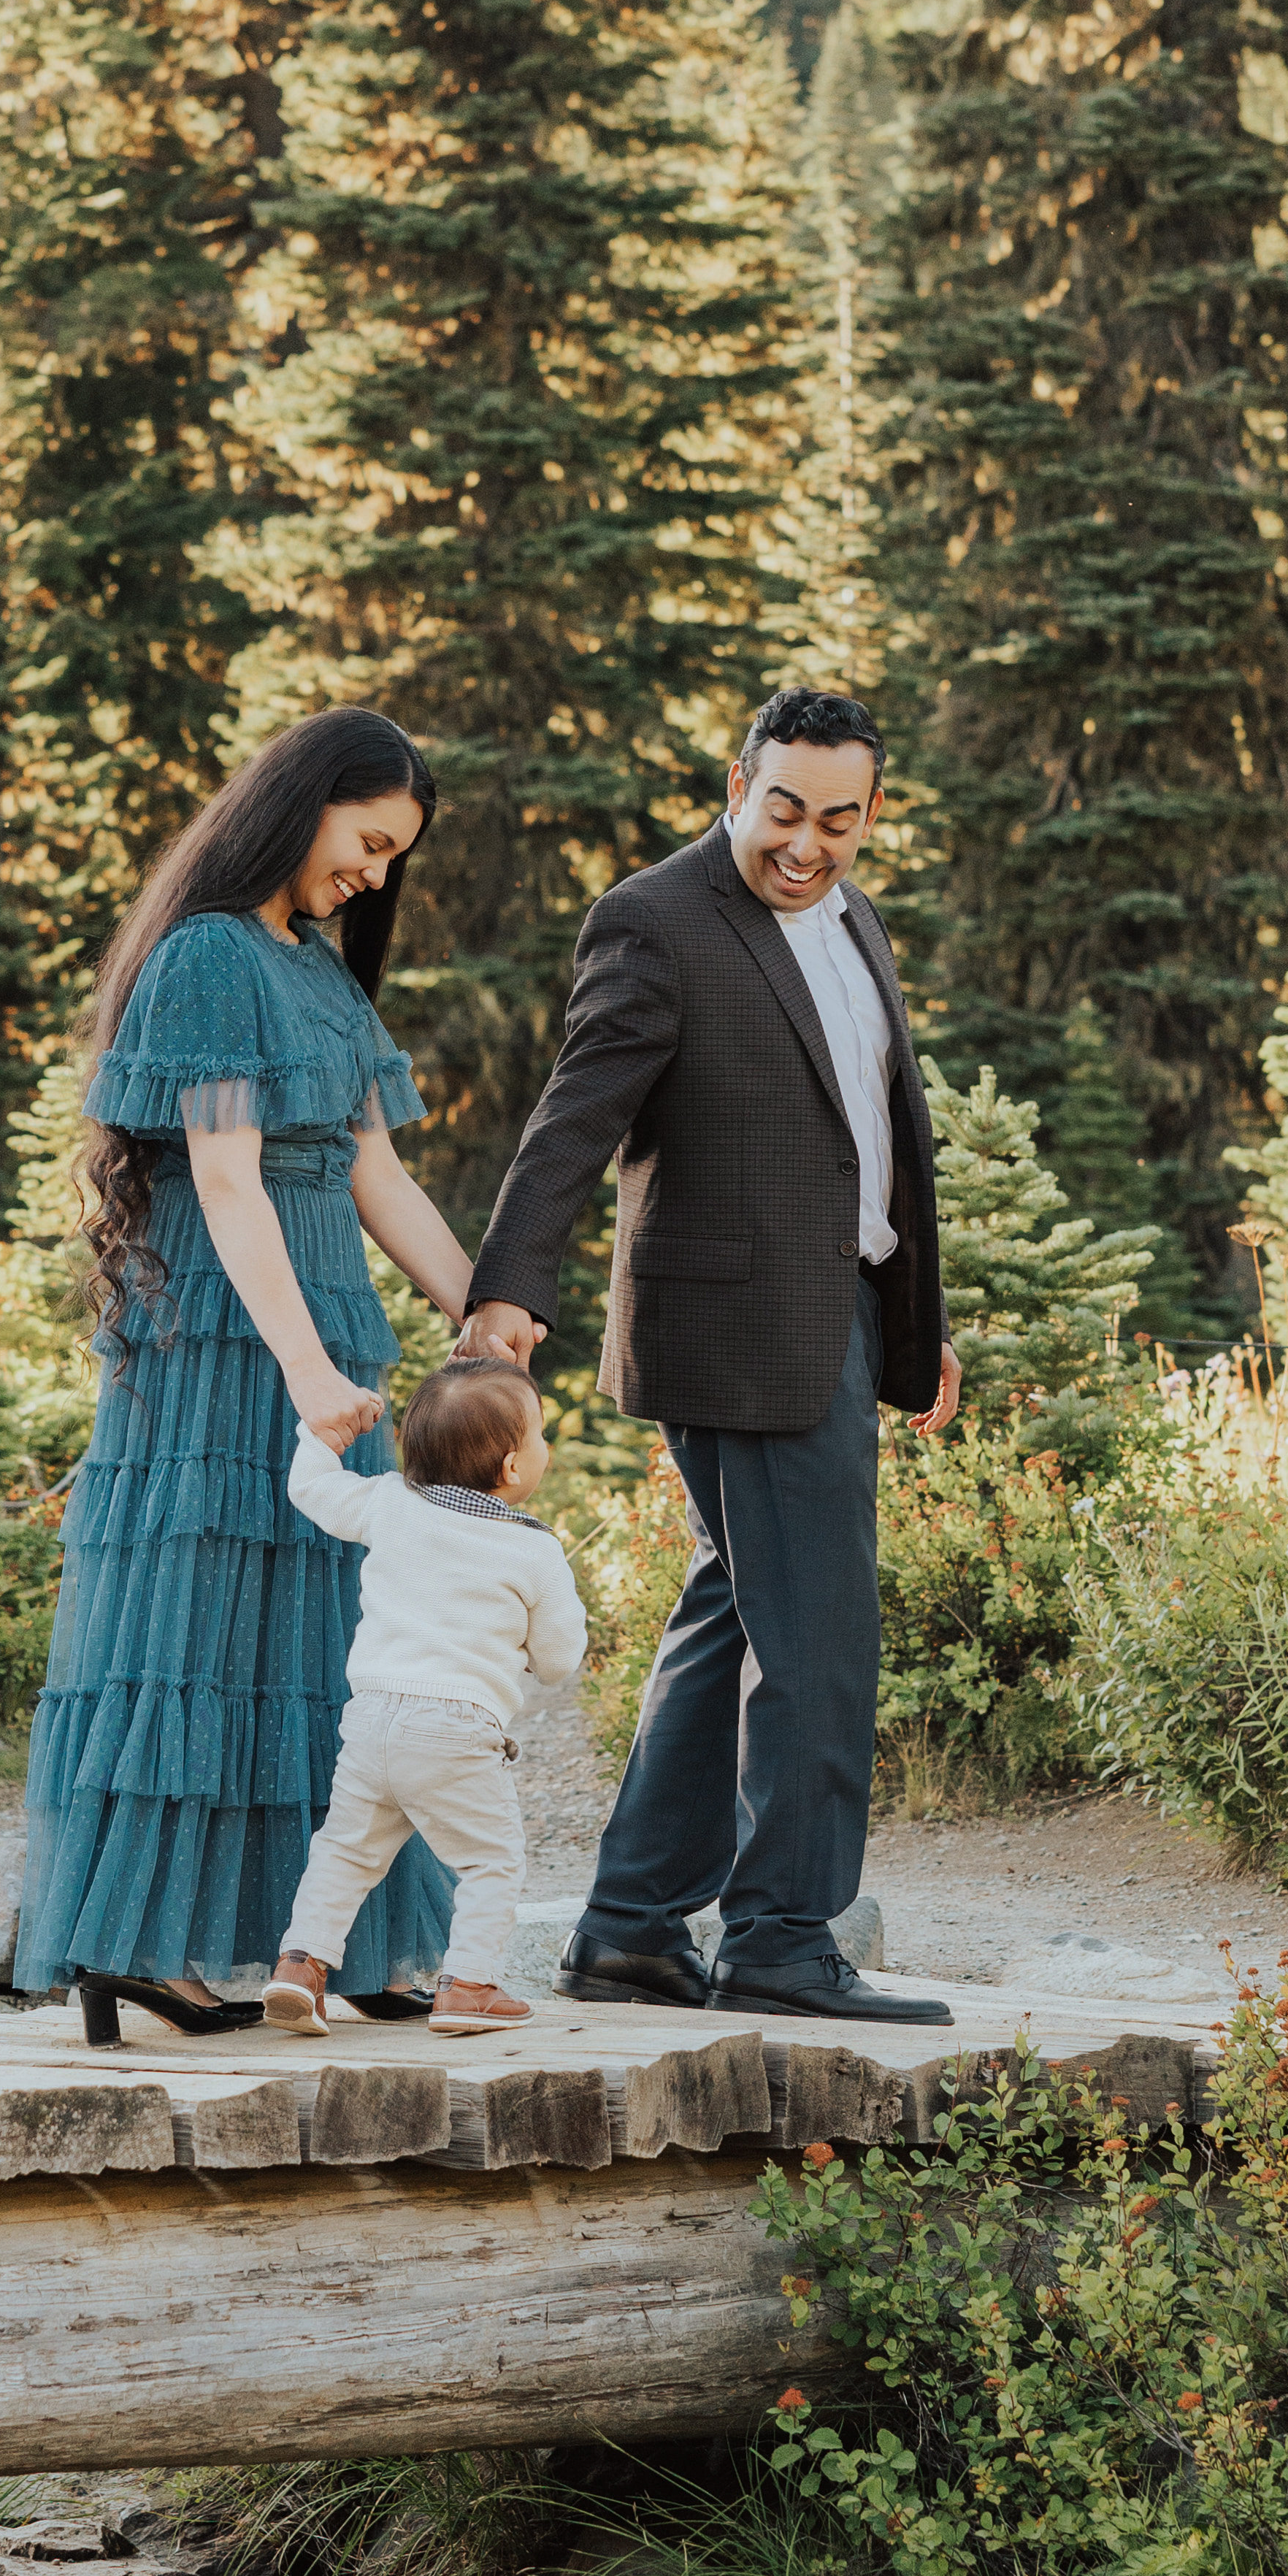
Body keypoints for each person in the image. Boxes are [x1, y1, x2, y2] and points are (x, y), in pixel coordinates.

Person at [461, 682, 958, 2031]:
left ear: (869, 816)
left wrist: (915, 1325)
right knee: (820, 1638)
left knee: (733, 1613)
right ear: (734, 783)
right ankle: (783, 1938)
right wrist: (507, 1292)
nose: (805, 842)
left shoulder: (855, 919)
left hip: (841, 1314)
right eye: (783, 808)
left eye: (837, 818)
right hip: (734, 1327)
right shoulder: (656, 920)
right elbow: (574, 1120)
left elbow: (878, 1138)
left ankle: (627, 1928)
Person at [19, 710, 479, 2044]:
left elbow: (371, 1171)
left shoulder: (322, 970)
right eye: (367, 841)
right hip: (233, 1326)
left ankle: (329, 1939)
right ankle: (136, 1947)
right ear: (303, 803)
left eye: (398, 857)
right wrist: (304, 1368)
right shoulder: (211, 956)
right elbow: (222, 1179)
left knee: (331, 1636)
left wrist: (482, 1314)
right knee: (199, 1620)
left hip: (319, 1313)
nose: (376, 876)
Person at [269, 1352, 587, 2044]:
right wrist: (527, 1650)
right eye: (539, 1435)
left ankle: (300, 1967)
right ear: (511, 1468)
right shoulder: (534, 1551)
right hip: (456, 1728)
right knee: (489, 1859)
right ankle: (469, 1984)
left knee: (345, 1850)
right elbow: (561, 1660)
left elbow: (313, 1491)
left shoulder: (389, 1502)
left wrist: (321, 1439)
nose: (546, 1448)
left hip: (374, 1719)